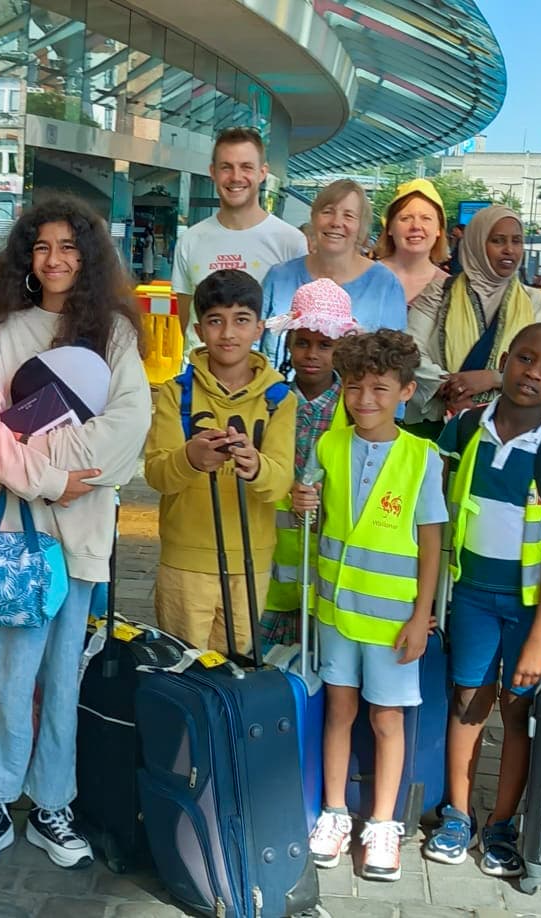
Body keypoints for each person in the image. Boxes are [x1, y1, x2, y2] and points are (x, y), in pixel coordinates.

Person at [0, 195, 151, 870]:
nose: (56, 259)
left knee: (64, 674)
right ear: (26, 260)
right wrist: (47, 482)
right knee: (8, 673)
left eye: (69, 246)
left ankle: (52, 804)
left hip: (84, 537)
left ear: (88, 256)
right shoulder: (7, 333)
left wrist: (55, 469)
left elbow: (127, 430)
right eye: (42, 247)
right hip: (16, 537)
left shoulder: (114, 334)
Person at [423, 323, 541, 877]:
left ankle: (501, 825)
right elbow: (436, 503)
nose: (532, 373)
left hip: (531, 608)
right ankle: (457, 815)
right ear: (506, 360)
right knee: (468, 703)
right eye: (524, 359)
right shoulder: (466, 428)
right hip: (471, 596)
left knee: (518, 713)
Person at [290, 328, 446, 881]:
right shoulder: (329, 445)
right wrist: (300, 500)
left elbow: (432, 542)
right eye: (354, 387)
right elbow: (307, 510)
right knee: (339, 711)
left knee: (387, 719)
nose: (365, 400)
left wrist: (422, 617)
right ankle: (333, 814)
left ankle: (383, 824)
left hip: (393, 622)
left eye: (380, 388)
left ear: (406, 391)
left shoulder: (422, 457)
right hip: (335, 613)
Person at [142, 269, 297, 655]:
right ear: (198, 328)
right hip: (185, 561)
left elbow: (280, 482)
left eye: (241, 320)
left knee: (235, 669)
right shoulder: (177, 394)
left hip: (251, 561)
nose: (228, 333)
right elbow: (157, 474)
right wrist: (191, 458)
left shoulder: (279, 398)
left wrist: (256, 466)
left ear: (260, 327)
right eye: (216, 321)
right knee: (183, 671)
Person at [257, 279, 359, 654]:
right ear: (288, 343)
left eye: (324, 345)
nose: (311, 354)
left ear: (342, 348)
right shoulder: (269, 402)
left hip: (331, 570)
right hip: (272, 566)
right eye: (302, 342)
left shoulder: (353, 408)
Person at [405, 206, 541, 427]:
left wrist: (494, 378)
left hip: (512, 430)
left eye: (516, 241)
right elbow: (410, 351)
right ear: (477, 244)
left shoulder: (536, 303)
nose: (509, 250)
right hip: (438, 424)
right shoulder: (440, 292)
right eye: (498, 241)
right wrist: (451, 390)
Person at [171, 127, 308, 344]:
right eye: (226, 167)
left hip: (265, 376)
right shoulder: (190, 240)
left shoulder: (291, 242)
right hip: (201, 374)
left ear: (262, 173)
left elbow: (298, 322)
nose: (236, 177)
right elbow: (187, 320)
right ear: (213, 172)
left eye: (246, 167)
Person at [258, 179, 407, 361]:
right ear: (314, 218)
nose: (336, 222)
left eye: (349, 216)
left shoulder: (384, 284)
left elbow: (394, 359)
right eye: (328, 212)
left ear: (361, 227)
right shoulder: (279, 277)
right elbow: (252, 345)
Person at [373, 179, 450, 305]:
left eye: (426, 218)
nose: (416, 226)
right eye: (406, 218)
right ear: (390, 228)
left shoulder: (449, 289)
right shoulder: (364, 277)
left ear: (438, 230)